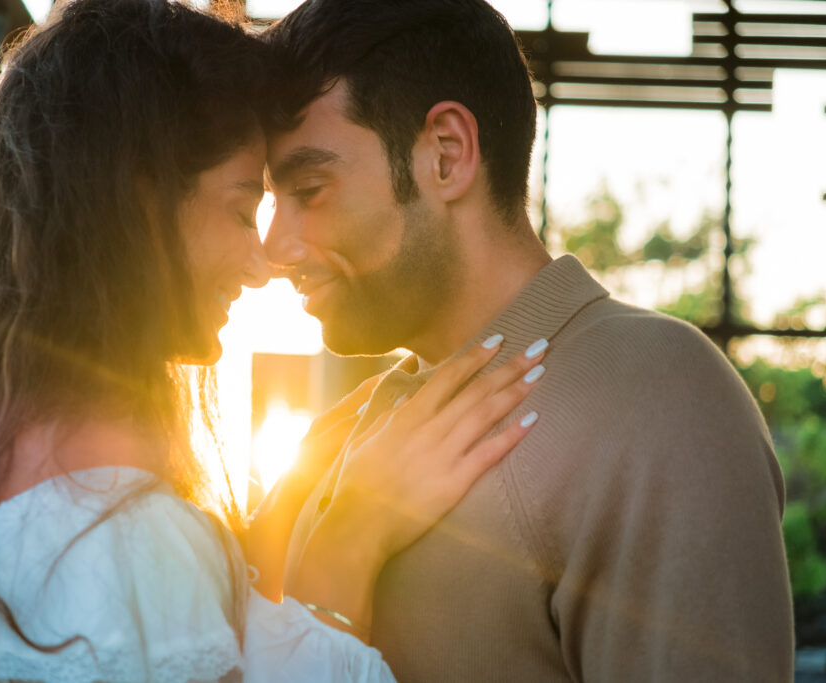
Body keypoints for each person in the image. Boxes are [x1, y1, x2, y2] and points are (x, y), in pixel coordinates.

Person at [0, 2, 546, 682]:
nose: (264, 258)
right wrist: (343, 552)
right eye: (241, 208)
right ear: (140, 204)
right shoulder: (122, 546)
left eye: (306, 193)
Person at [253, 0, 795, 681]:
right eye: (271, 198)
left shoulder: (652, 397)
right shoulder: (336, 442)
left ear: (446, 155)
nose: (274, 246)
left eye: (309, 187)